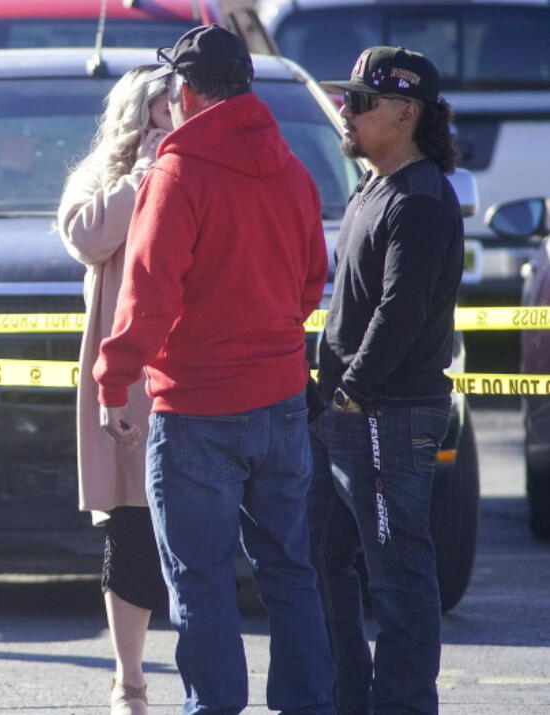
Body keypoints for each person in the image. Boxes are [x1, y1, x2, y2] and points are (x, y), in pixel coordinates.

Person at [93, 25, 333, 714]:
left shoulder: (178, 171)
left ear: (187, 91)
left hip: (196, 407)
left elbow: (146, 295)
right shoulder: (291, 168)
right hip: (283, 398)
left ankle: (215, 706)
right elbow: (310, 284)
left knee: (199, 578)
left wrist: (114, 381)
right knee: (290, 571)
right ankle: (307, 703)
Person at [312, 47, 463, 715]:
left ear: (405, 113)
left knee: (398, 573)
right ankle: (350, 695)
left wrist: (353, 393)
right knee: (323, 553)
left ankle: (401, 705)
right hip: (353, 412)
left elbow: (400, 310)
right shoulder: (373, 186)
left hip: (387, 413)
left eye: (361, 102)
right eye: (346, 97)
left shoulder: (422, 198)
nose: (346, 110)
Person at [56, 65, 172, 715]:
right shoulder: (101, 175)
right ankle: (129, 680)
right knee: (130, 529)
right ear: (136, 112)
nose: (172, 117)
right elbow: (89, 236)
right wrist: (140, 176)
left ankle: (207, 675)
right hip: (129, 379)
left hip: (200, 374)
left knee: (196, 533)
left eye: (179, 106)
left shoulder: (210, 165)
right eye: (160, 108)